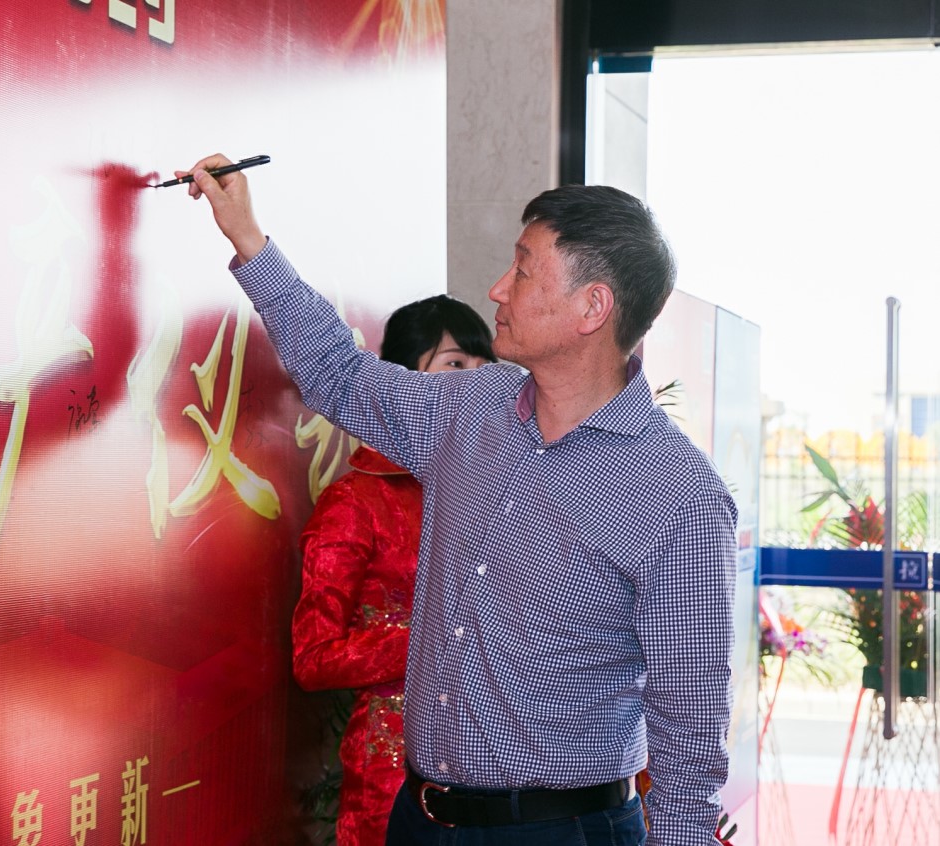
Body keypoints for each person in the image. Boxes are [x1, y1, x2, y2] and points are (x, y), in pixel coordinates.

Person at [179, 155, 737, 846]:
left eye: (523, 271)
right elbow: (338, 373)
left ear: (592, 308)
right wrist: (248, 237)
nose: (497, 289)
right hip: (420, 818)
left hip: (559, 833)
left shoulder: (679, 496)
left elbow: (690, 729)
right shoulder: (471, 407)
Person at [292, 295, 496, 846]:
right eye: (455, 364)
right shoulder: (356, 502)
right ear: (399, 382)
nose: (474, 383)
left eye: (485, 368)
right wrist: (436, 638)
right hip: (393, 776)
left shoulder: (495, 492)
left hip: (501, 780)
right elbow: (314, 658)